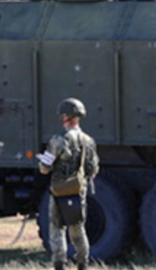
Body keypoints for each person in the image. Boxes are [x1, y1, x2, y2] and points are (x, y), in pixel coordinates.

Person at [37, 98, 99, 270]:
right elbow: (93, 169)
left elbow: (44, 168)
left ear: (65, 116)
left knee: (57, 228)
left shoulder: (58, 140)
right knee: (78, 228)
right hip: (79, 189)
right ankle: (83, 264)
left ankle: (60, 264)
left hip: (59, 190)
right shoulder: (88, 141)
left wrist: (43, 163)